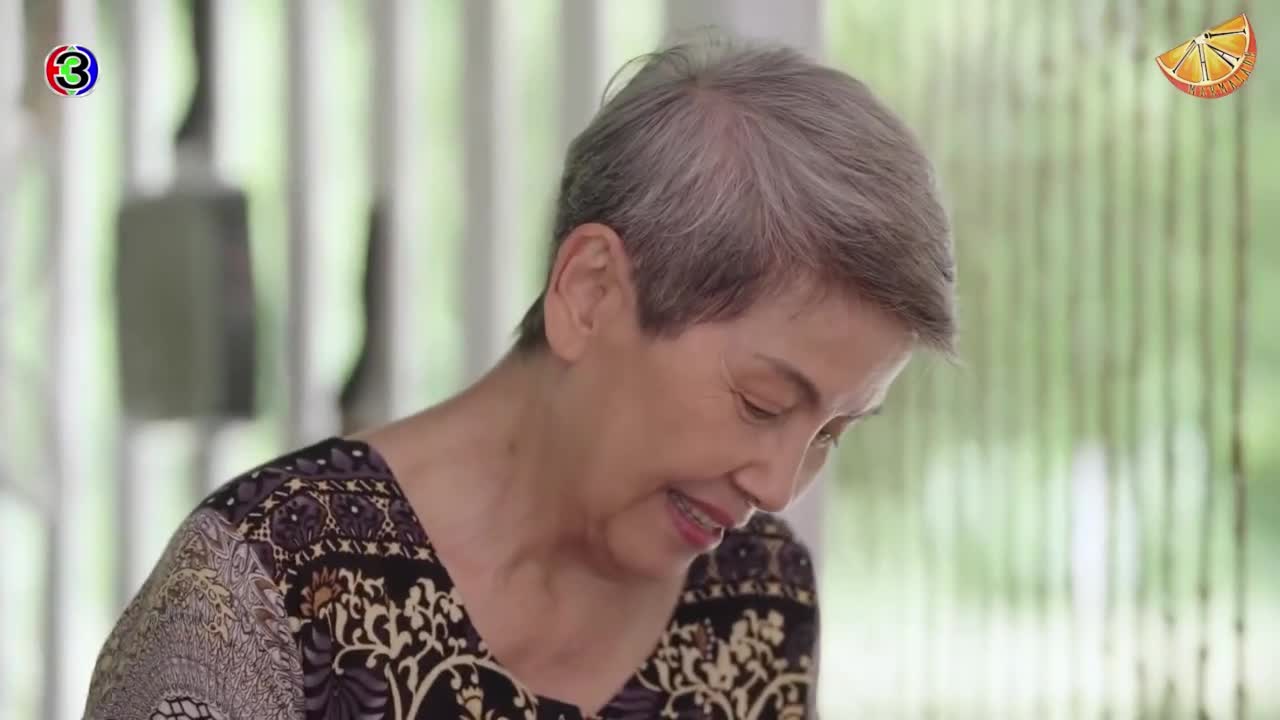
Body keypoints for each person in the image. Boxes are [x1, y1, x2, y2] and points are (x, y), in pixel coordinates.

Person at [83, 31, 955, 720]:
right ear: (590, 293)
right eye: (762, 404)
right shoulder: (269, 585)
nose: (778, 487)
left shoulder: (756, 600)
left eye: (832, 433)